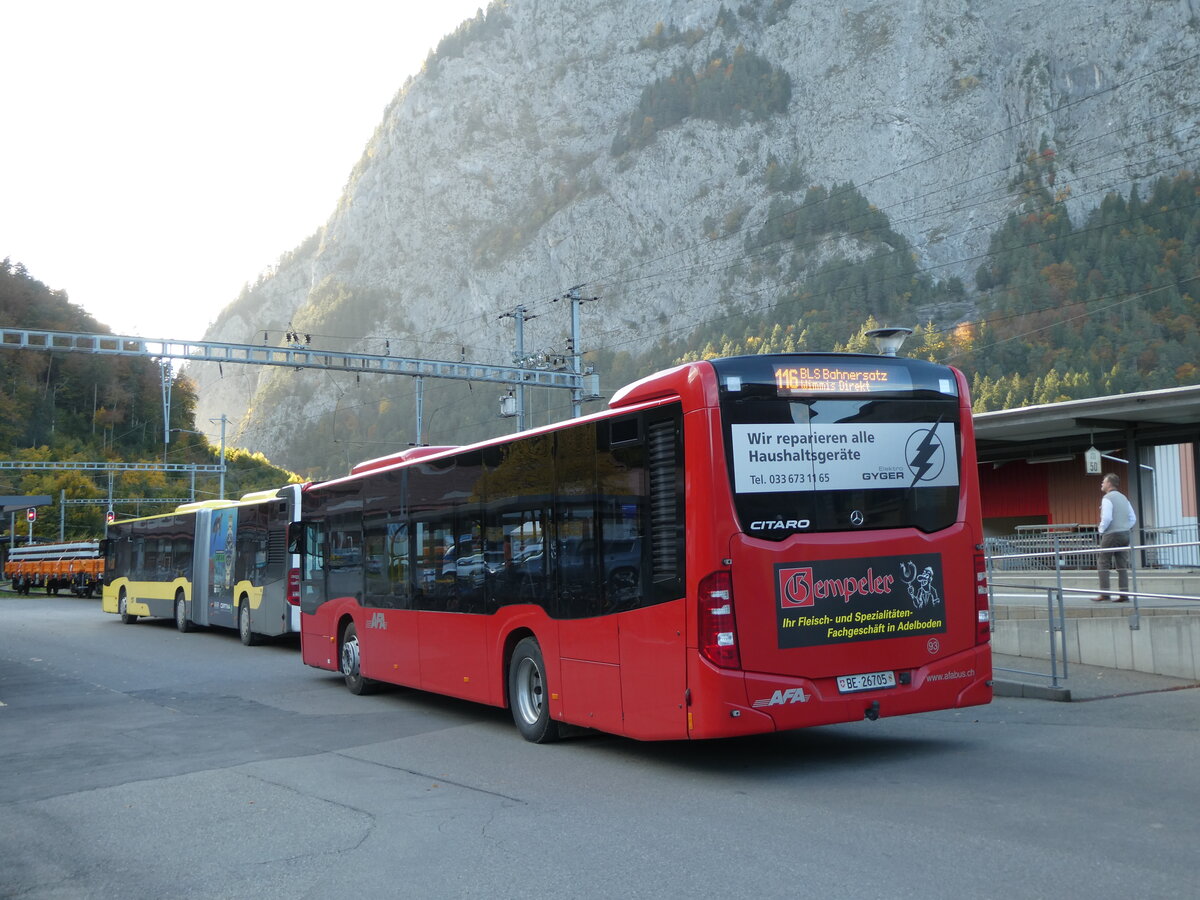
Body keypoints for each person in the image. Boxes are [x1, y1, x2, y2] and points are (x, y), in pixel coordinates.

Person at [1094, 472, 1136, 602]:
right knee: (1122, 565)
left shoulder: (1107, 498)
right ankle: (1124, 594)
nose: (1102, 484)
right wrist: (1125, 527)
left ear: (1109, 484)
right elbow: (1132, 518)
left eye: (1103, 481)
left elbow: (1106, 517)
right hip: (1124, 534)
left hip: (1111, 534)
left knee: (1103, 562)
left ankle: (1105, 594)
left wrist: (1101, 530)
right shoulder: (1124, 498)